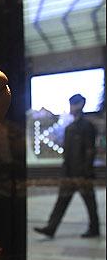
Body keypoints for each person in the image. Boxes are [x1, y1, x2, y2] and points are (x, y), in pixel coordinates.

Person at [34, 93, 100, 238]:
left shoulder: (87, 126)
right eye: (70, 104)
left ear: (81, 104)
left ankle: (94, 229)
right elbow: (67, 153)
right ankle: (51, 228)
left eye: (74, 104)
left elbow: (90, 150)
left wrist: (86, 172)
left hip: (82, 173)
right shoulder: (69, 127)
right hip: (69, 173)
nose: (71, 107)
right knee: (62, 201)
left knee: (90, 203)